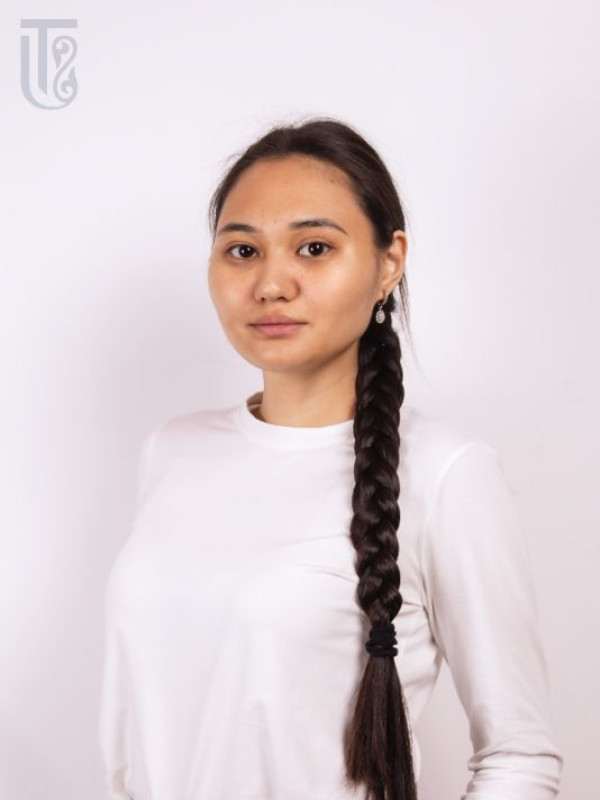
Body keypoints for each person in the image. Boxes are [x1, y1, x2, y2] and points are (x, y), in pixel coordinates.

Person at [97, 117, 564, 800]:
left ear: (389, 263)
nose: (271, 283)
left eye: (314, 248)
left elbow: (519, 756)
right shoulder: (172, 449)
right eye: (242, 250)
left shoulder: (445, 471)